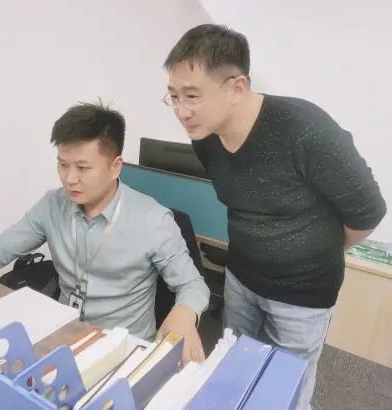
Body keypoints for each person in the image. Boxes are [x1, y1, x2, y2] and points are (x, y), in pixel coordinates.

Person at [163, 24, 386, 409]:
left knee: (285, 391)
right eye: (174, 96)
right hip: (242, 277)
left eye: (193, 96)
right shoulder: (205, 138)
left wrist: (319, 251)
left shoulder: (304, 129)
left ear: (237, 87)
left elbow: (368, 211)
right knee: (236, 370)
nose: (182, 111)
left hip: (303, 295)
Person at [0, 101, 210, 363]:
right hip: (62, 339)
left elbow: (192, 284)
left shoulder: (153, 220)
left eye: (82, 168)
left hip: (121, 351)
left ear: (115, 167)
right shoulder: (52, 206)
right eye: (62, 165)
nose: (69, 179)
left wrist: (184, 313)